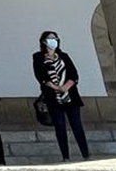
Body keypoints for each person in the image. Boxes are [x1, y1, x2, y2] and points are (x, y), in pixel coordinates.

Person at [33, 31, 89, 162]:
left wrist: (66, 87)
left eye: (55, 38)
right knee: (60, 126)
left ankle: (85, 154)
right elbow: (40, 76)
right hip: (53, 97)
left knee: (77, 125)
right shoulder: (38, 57)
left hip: (70, 95)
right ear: (44, 41)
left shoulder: (64, 56)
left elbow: (74, 74)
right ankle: (65, 156)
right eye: (50, 39)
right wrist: (57, 87)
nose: (53, 41)